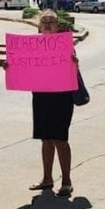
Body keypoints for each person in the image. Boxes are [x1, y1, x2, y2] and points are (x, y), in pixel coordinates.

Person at [24, 10, 76, 197]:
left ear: (57, 26)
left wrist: (74, 62)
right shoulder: (31, 46)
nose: (47, 24)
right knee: (46, 139)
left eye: (51, 22)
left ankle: (67, 182)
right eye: (44, 21)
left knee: (60, 140)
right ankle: (47, 179)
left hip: (62, 97)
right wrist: (11, 67)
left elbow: (73, 69)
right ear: (39, 26)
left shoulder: (65, 45)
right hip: (41, 96)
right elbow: (23, 70)